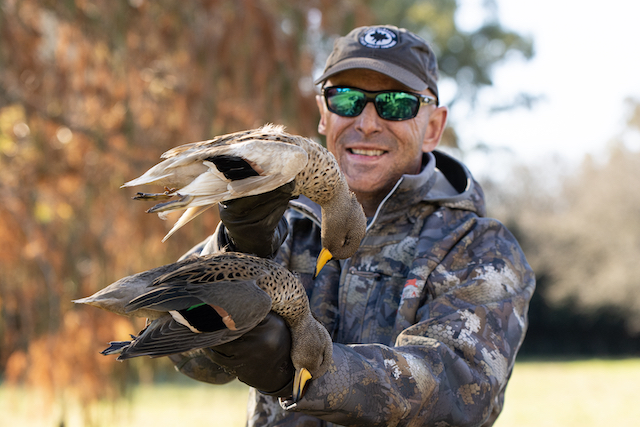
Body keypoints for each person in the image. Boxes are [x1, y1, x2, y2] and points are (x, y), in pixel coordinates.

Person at [168, 25, 535, 427]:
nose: (367, 122)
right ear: (324, 115)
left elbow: (457, 390)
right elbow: (187, 357)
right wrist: (235, 251)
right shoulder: (281, 224)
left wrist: (303, 370)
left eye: (396, 104)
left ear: (433, 126)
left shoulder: (479, 249)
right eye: (346, 99)